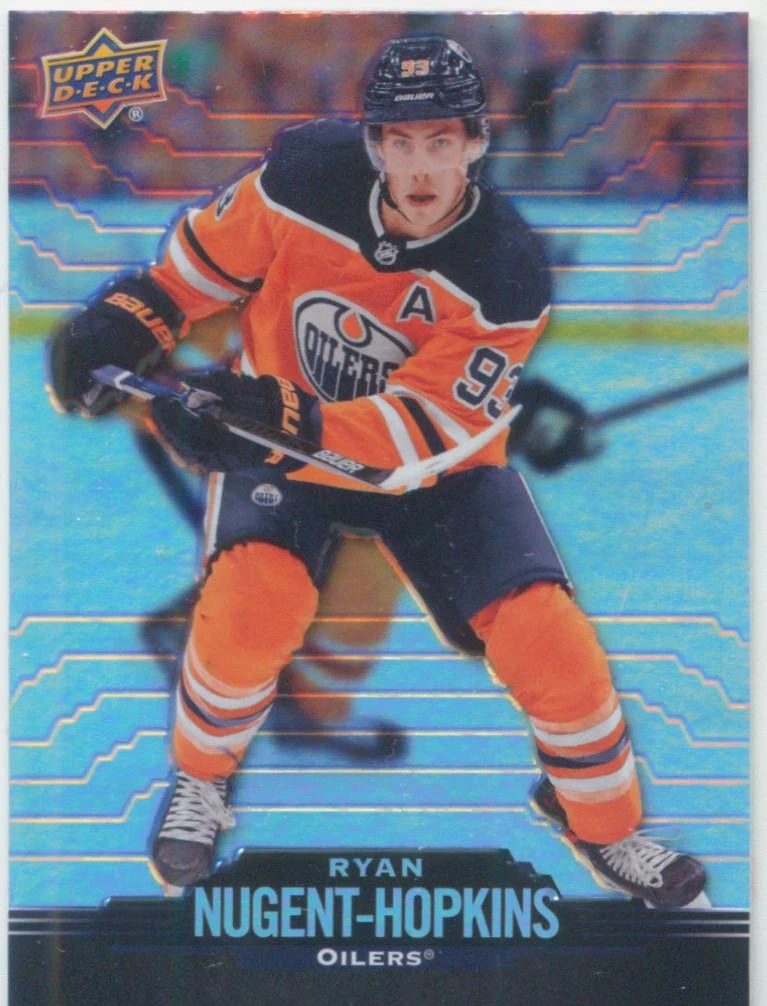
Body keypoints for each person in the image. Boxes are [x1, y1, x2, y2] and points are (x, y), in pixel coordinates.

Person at [48, 34, 705, 907]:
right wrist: (133, 318)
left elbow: (421, 428)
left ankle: (605, 825)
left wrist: (275, 419)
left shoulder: (505, 269)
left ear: (475, 143)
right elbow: (203, 264)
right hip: (283, 449)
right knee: (250, 606)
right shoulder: (302, 177)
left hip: (436, 472)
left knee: (550, 641)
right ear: (372, 145)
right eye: (399, 141)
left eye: (440, 141)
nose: (420, 166)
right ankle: (201, 779)